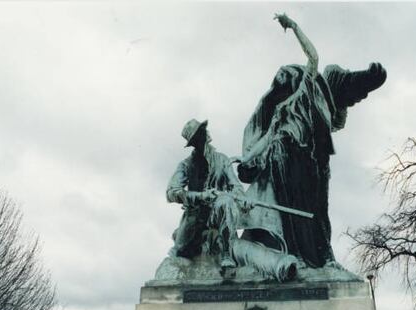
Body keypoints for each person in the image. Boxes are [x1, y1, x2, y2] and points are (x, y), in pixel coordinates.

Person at [237, 14, 387, 268]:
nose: (282, 82)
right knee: (293, 211)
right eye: (280, 79)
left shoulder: (307, 88)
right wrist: (248, 160)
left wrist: (294, 26)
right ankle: (300, 257)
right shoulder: (278, 112)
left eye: (286, 78)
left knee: (317, 211)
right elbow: (266, 139)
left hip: (312, 159)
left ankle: (322, 258)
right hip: (285, 159)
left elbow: (313, 57)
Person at [166, 118, 244, 269]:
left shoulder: (222, 160)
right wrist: (200, 196)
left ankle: (226, 254)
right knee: (178, 254)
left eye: (204, 130)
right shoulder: (186, 165)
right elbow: (171, 192)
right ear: (194, 142)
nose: (206, 134)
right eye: (200, 133)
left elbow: (236, 187)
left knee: (226, 201)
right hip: (195, 218)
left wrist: (241, 198)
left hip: (220, 214)